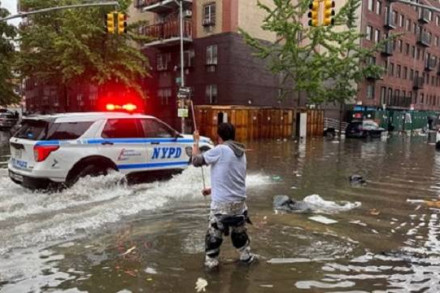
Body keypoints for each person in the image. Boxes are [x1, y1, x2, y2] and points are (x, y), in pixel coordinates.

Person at [192, 123, 255, 269]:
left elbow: (195, 161)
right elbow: (233, 179)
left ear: (218, 137)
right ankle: (246, 257)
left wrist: (195, 141)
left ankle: (212, 265)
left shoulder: (220, 149)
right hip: (240, 205)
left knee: (214, 235)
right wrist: (212, 189)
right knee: (239, 234)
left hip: (221, 206)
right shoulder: (241, 151)